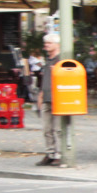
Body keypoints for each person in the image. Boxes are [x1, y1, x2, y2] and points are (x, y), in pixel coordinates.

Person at [35, 33, 64, 167]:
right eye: (46, 43)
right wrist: (40, 95)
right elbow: (45, 79)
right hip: (46, 97)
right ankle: (50, 153)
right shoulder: (48, 61)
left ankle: (59, 154)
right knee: (46, 128)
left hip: (58, 98)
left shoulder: (61, 61)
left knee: (57, 128)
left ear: (57, 45)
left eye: (49, 43)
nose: (46, 45)